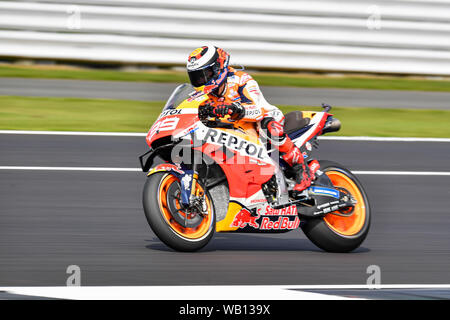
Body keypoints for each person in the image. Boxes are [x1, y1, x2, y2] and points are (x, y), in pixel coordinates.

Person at [186, 45, 318, 192]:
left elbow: (258, 109)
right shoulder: (203, 95)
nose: (201, 80)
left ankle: (301, 169)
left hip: (263, 120)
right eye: (197, 77)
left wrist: (236, 109)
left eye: (205, 74)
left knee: (267, 126)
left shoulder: (242, 80)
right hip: (237, 131)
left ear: (219, 67)